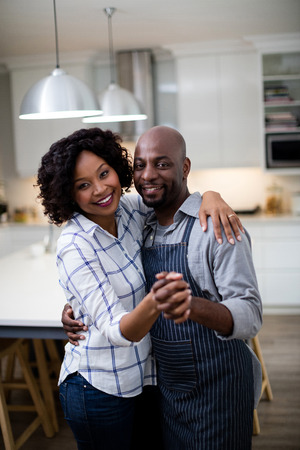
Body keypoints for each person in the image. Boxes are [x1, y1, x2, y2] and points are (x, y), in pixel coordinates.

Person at [64, 126, 263, 450]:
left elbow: (251, 315)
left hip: (219, 389)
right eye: (140, 165)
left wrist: (191, 306)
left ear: (184, 168)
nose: (148, 175)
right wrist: (74, 308)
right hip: (167, 388)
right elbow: (106, 281)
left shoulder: (215, 226)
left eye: (162, 164)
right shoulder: (142, 221)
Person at [36, 127, 192, 450]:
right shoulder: (75, 245)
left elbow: (175, 201)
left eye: (104, 173)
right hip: (98, 389)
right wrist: (157, 300)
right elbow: (118, 331)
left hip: (143, 377)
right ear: (68, 194)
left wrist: (212, 199)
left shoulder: (130, 210)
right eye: (83, 185)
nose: (100, 189)